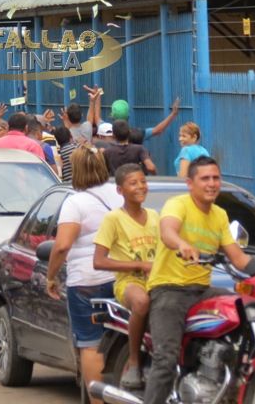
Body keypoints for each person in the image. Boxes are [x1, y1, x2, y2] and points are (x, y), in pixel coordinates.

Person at [142, 157, 251, 404]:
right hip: (169, 290)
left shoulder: (220, 214)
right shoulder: (178, 204)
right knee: (166, 360)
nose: (212, 184)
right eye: (205, 179)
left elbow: (237, 257)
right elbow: (167, 230)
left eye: (216, 178)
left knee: (245, 308)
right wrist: (181, 244)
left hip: (203, 291)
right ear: (190, 183)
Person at [45, 146, 121, 398]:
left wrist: (51, 276)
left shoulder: (74, 203)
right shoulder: (119, 194)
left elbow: (62, 245)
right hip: (122, 278)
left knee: (91, 344)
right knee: (124, 340)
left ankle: (97, 401)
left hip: (87, 282)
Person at [93, 164, 159, 389]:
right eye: (133, 183)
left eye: (143, 181)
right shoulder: (113, 219)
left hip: (157, 281)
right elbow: (99, 260)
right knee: (141, 302)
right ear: (120, 190)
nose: (141, 187)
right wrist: (139, 264)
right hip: (129, 283)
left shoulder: (155, 216)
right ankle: (133, 360)